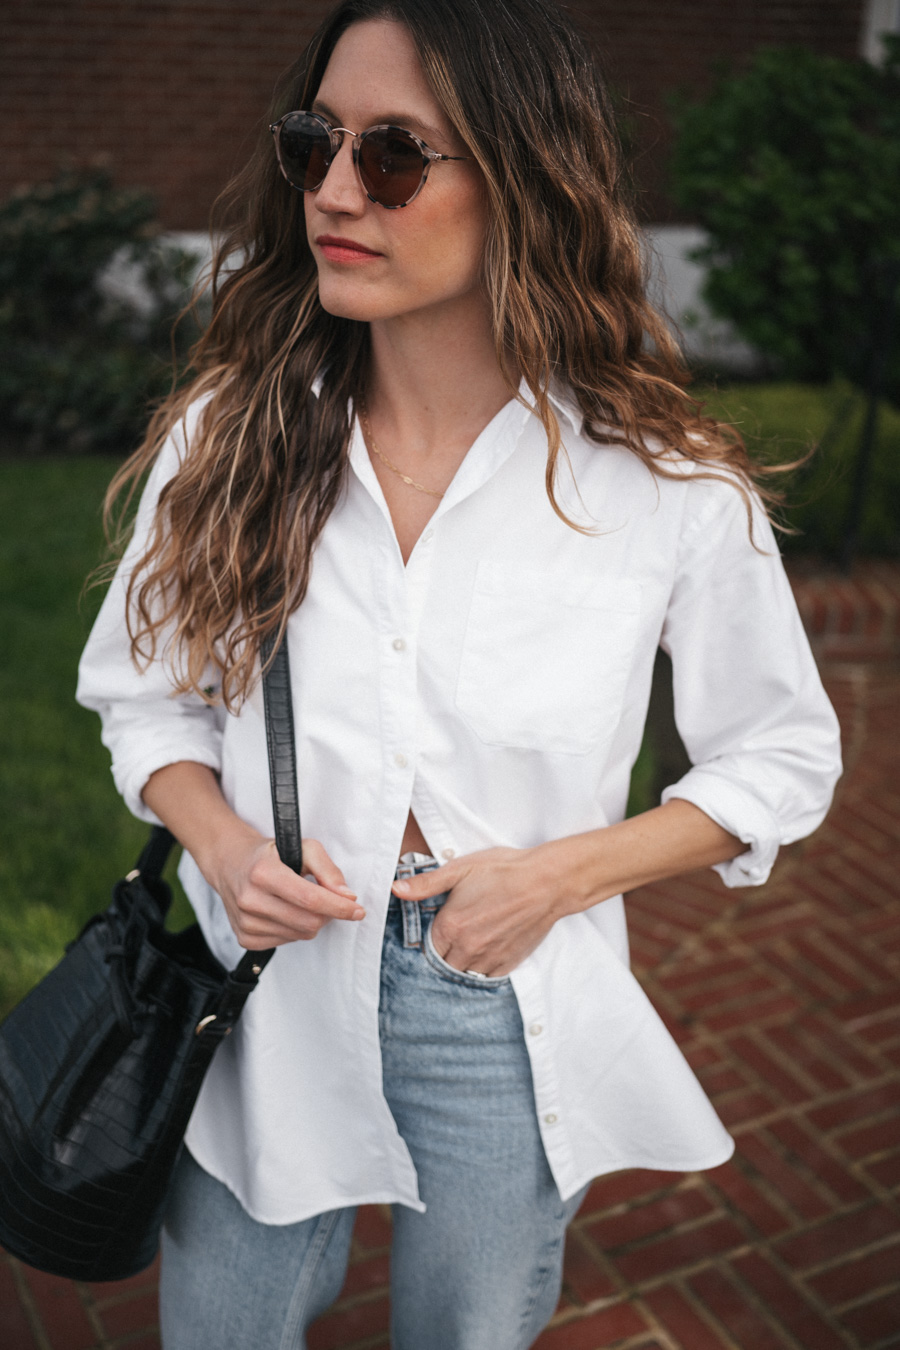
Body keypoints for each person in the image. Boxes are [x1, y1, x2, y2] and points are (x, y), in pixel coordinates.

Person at [77, 1, 842, 1346]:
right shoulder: (230, 436)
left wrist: (560, 875)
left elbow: (780, 758)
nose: (329, 190)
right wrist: (221, 841)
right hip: (257, 989)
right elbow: (143, 695)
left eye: (391, 156)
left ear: (524, 178)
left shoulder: (662, 485)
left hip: (496, 995)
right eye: (314, 142)